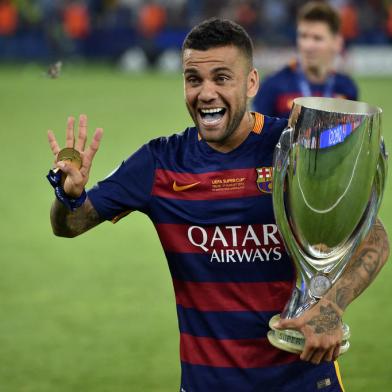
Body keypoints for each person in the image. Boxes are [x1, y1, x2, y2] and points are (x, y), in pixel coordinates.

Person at [47, 18, 389, 392]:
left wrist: (332, 307)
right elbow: (69, 225)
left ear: (251, 83)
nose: (206, 93)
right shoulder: (160, 163)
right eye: (194, 79)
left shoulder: (293, 149)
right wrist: (69, 195)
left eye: (222, 78)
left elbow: (373, 239)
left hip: (304, 380)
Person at [253, 2, 358, 118]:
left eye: (317, 38)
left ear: (337, 43)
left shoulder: (346, 87)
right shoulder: (272, 85)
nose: (307, 46)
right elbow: (257, 134)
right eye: (303, 36)